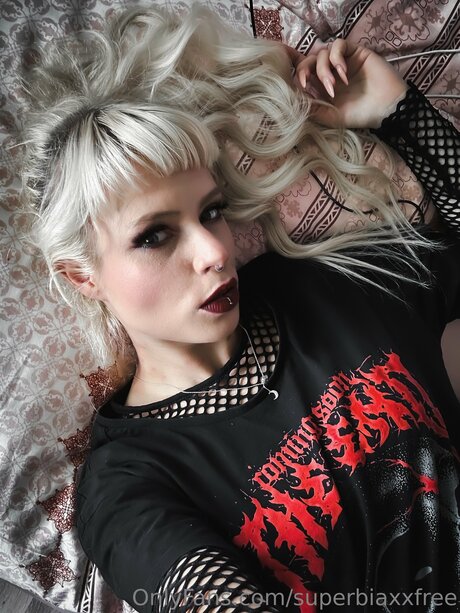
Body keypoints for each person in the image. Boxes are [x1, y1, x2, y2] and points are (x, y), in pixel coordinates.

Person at [20, 5, 460, 612]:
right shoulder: (129, 481)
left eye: (211, 212)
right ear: (82, 276)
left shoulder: (320, 288)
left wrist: (399, 112)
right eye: (154, 236)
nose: (214, 252)